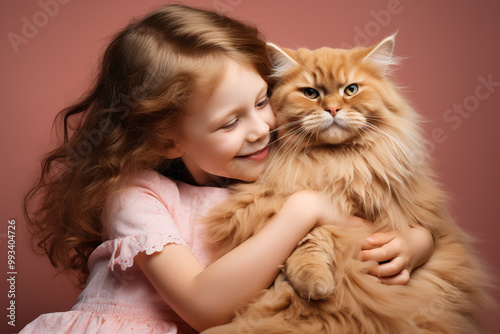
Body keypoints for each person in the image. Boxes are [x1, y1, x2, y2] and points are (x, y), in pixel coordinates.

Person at [21, 4, 434, 333]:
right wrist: (304, 209)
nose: (260, 130)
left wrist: (417, 242)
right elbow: (204, 308)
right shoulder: (135, 197)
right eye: (229, 122)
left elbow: (358, 219)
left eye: (260, 102)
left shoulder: (259, 171)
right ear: (168, 139)